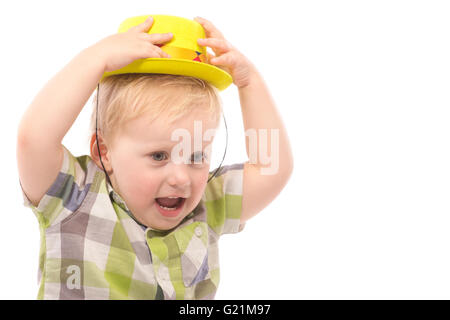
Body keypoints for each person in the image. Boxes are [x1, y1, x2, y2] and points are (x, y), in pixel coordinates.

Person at [16, 15, 294, 299]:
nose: (181, 177)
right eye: (159, 156)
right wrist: (97, 59)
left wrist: (250, 84)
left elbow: (271, 168)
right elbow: (34, 139)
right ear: (104, 152)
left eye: (196, 156)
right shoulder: (76, 196)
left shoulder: (208, 205)